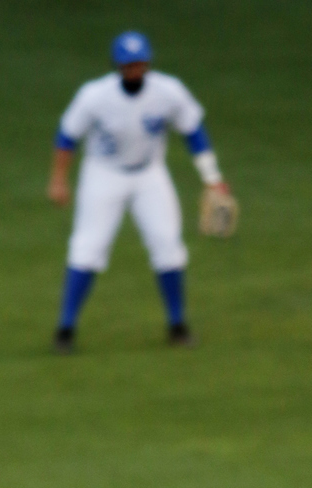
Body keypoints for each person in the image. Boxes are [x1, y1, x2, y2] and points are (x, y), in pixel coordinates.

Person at [47, 32, 231, 352]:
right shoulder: (94, 96)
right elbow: (67, 136)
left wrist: (212, 177)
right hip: (103, 175)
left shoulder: (168, 92)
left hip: (149, 174)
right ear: (117, 66)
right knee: (87, 248)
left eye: (140, 63)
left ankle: (177, 325)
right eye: (128, 65)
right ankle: (65, 329)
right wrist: (59, 180)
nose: (135, 70)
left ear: (148, 63)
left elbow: (193, 130)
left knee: (167, 245)